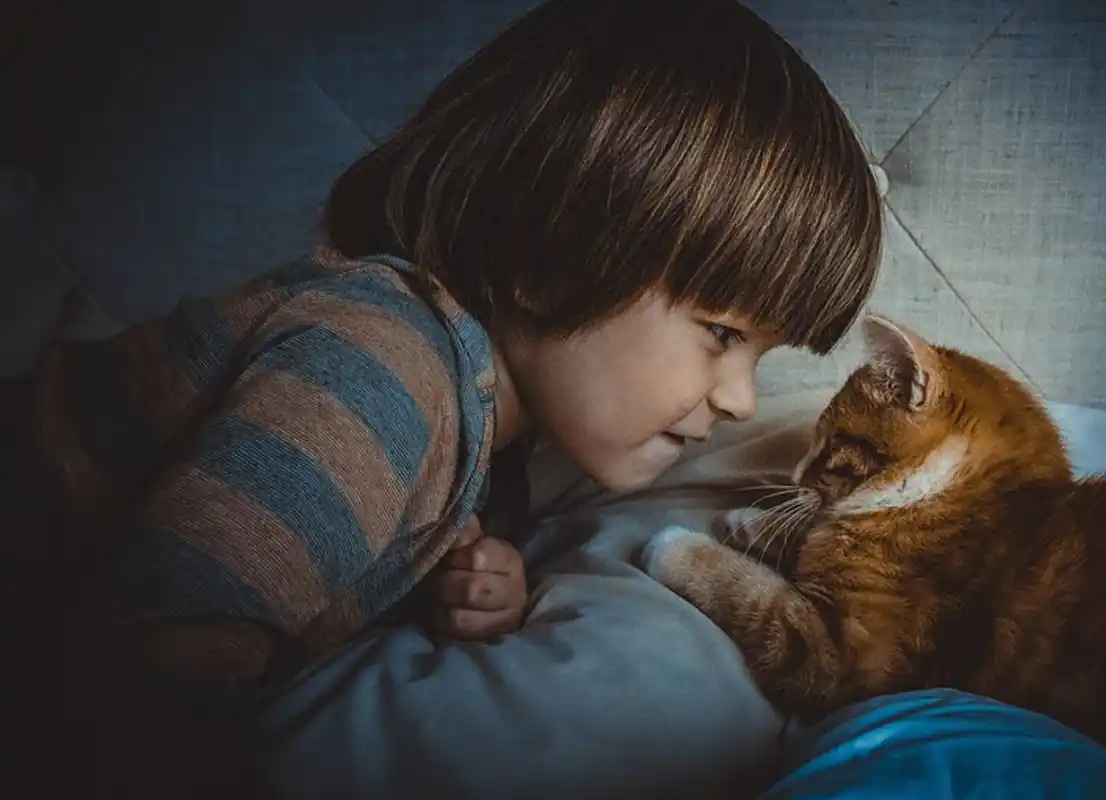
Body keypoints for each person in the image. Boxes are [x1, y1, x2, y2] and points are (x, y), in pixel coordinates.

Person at [6, 0, 882, 794]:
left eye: (763, 355)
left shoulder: (489, 432)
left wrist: (467, 581)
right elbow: (151, 659)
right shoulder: (376, 372)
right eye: (722, 335)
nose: (740, 399)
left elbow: (352, 543)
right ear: (552, 260)